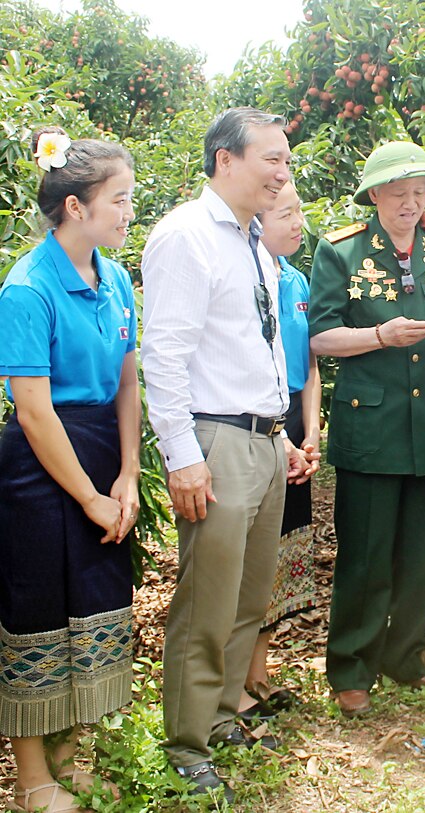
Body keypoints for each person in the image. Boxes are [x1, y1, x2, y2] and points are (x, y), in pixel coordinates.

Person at [141, 108, 308, 803]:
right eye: (271, 159)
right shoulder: (186, 237)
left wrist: (284, 434)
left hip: (264, 440)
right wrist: (182, 455)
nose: (283, 174)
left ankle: (220, 715)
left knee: (247, 596)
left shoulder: (255, 245)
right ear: (225, 161)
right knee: (206, 601)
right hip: (215, 441)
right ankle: (185, 742)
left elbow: (261, 347)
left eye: (286, 161)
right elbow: (165, 355)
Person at [0, 128, 139, 813]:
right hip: (41, 469)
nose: (128, 211)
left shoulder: (112, 277)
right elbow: (32, 409)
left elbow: (127, 378)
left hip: (103, 457)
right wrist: (86, 494)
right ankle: (33, 781)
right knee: (38, 613)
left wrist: (130, 475)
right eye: (119, 199)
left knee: (90, 605)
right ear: (76, 207)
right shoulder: (26, 288)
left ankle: (66, 758)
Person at [310, 141, 425, 719]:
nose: (411, 202)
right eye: (400, 192)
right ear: (375, 194)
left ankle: (405, 657)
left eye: (420, 192)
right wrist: (380, 336)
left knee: (421, 556)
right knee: (365, 557)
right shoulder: (341, 252)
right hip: (371, 424)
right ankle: (351, 667)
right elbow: (320, 336)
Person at [239, 182, 322, 720]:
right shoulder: (243, 279)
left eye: (299, 213)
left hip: (294, 416)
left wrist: (313, 431)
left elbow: (310, 364)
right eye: (287, 214)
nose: (298, 224)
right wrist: (286, 435)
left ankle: (259, 670)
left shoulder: (296, 281)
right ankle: (234, 679)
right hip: (256, 422)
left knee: (281, 547)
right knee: (248, 554)